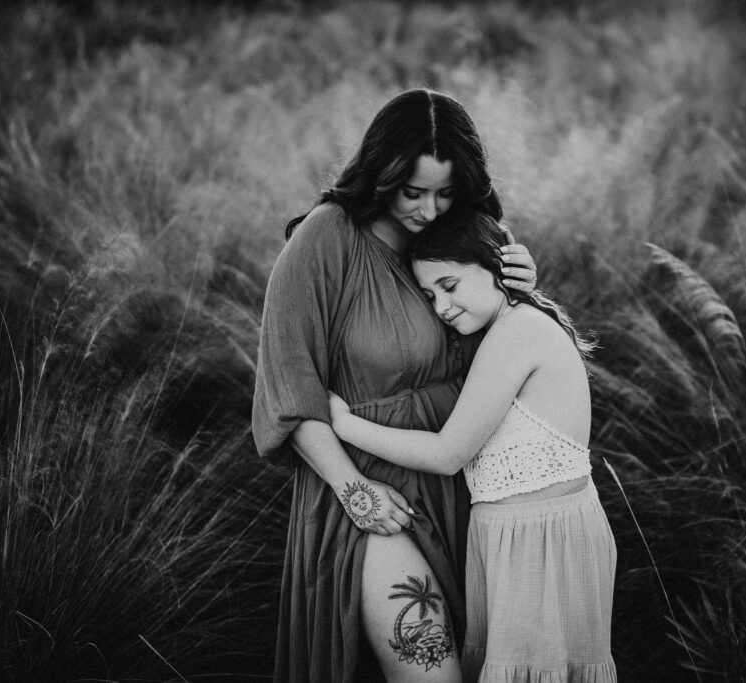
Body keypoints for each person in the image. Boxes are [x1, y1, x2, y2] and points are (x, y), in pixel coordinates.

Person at [252, 88, 538, 682]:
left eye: (445, 191)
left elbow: (504, 360)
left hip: (461, 492)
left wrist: (517, 293)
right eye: (413, 192)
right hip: (372, 501)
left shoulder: (465, 238)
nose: (429, 210)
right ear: (381, 176)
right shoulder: (327, 239)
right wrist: (356, 493)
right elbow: (290, 389)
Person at [327, 213, 618, 682]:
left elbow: (448, 453)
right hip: (519, 537)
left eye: (449, 285)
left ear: (495, 268)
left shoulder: (518, 331)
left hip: (539, 542)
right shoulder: (507, 327)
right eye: (429, 295)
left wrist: (344, 423)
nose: (441, 306)